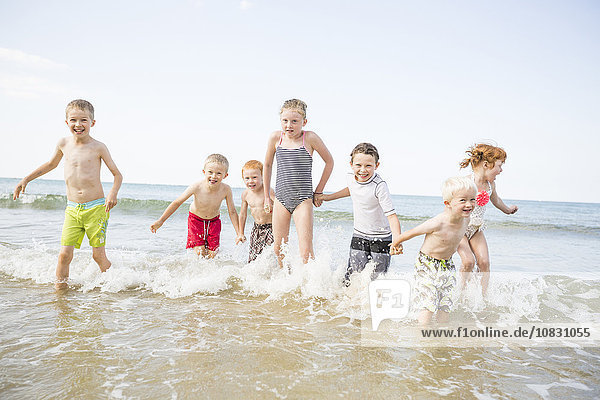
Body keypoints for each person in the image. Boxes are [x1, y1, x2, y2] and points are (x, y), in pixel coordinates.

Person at [13, 99, 123, 289]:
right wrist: (26, 179)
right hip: (72, 209)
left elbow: (117, 174)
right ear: (66, 122)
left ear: (92, 123)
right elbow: (50, 164)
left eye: (83, 120)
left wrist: (112, 194)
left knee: (98, 256)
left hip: (96, 208)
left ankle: (118, 284)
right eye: (73, 120)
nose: (78, 124)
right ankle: (60, 294)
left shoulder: (99, 147)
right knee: (64, 254)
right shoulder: (63, 143)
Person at [390, 176, 477, 325]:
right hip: (426, 263)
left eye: (472, 199)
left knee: (445, 303)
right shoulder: (437, 222)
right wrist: (395, 245)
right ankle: (422, 336)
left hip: (447, 264)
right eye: (463, 200)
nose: (469, 204)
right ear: (447, 203)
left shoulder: (466, 220)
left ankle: (440, 335)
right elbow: (409, 233)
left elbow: (456, 239)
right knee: (428, 302)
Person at [263, 99, 334, 265]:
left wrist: (318, 191)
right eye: (285, 121)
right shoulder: (275, 138)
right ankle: (286, 282)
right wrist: (267, 196)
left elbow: (329, 162)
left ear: (304, 122)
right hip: (281, 198)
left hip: (303, 200)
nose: (289, 125)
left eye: (294, 121)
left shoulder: (309, 138)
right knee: (278, 248)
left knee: (306, 252)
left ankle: (308, 286)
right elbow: (267, 165)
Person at [321, 143, 402, 285]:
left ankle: (374, 304)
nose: (363, 170)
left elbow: (392, 216)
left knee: (378, 279)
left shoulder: (379, 186)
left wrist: (397, 240)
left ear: (376, 165)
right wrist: (327, 197)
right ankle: (348, 304)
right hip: (359, 234)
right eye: (358, 165)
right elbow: (351, 190)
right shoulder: (350, 178)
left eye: (368, 166)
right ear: (351, 164)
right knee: (352, 276)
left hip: (381, 238)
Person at [150, 154, 245, 258]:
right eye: (210, 172)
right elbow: (177, 202)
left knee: (213, 254)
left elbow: (232, 212)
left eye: (218, 173)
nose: (214, 176)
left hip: (214, 222)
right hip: (196, 221)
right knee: (200, 252)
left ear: (225, 175)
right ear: (204, 172)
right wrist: (161, 221)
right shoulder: (197, 186)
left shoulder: (226, 189)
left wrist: (239, 233)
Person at [457, 143, 518, 295]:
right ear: (486, 165)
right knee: (468, 262)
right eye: (499, 166)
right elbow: (451, 205)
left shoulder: (491, 185)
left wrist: (508, 210)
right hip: (459, 228)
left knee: (484, 263)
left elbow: (496, 200)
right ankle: (461, 294)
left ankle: (482, 297)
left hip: (476, 228)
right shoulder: (466, 183)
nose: (501, 170)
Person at [239, 160, 275, 263]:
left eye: (254, 177)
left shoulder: (268, 191)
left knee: (270, 256)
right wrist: (241, 233)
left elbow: (280, 206)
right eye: (247, 178)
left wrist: (273, 207)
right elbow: (242, 214)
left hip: (271, 228)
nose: (250, 181)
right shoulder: (245, 194)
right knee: (253, 257)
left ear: (263, 176)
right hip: (256, 229)